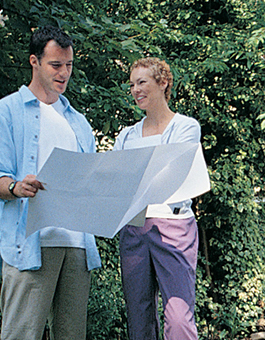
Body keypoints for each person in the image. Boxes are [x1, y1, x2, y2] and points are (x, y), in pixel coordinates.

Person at [0, 25, 101, 340]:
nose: (64, 73)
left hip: (77, 246)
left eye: (69, 65)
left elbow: (91, 181)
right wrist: (17, 187)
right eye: (56, 65)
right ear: (34, 61)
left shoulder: (79, 122)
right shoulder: (5, 112)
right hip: (30, 245)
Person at [114, 57, 201, 340]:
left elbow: (174, 174)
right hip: (134, 227)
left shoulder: (186, 127)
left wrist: (137, 174)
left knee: (178, 318)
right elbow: (116, 180)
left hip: (174, 227)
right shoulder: (126, 135)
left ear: (163, 83)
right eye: (131, 84)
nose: (135, 90)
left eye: (142, 82)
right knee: (138, 316)